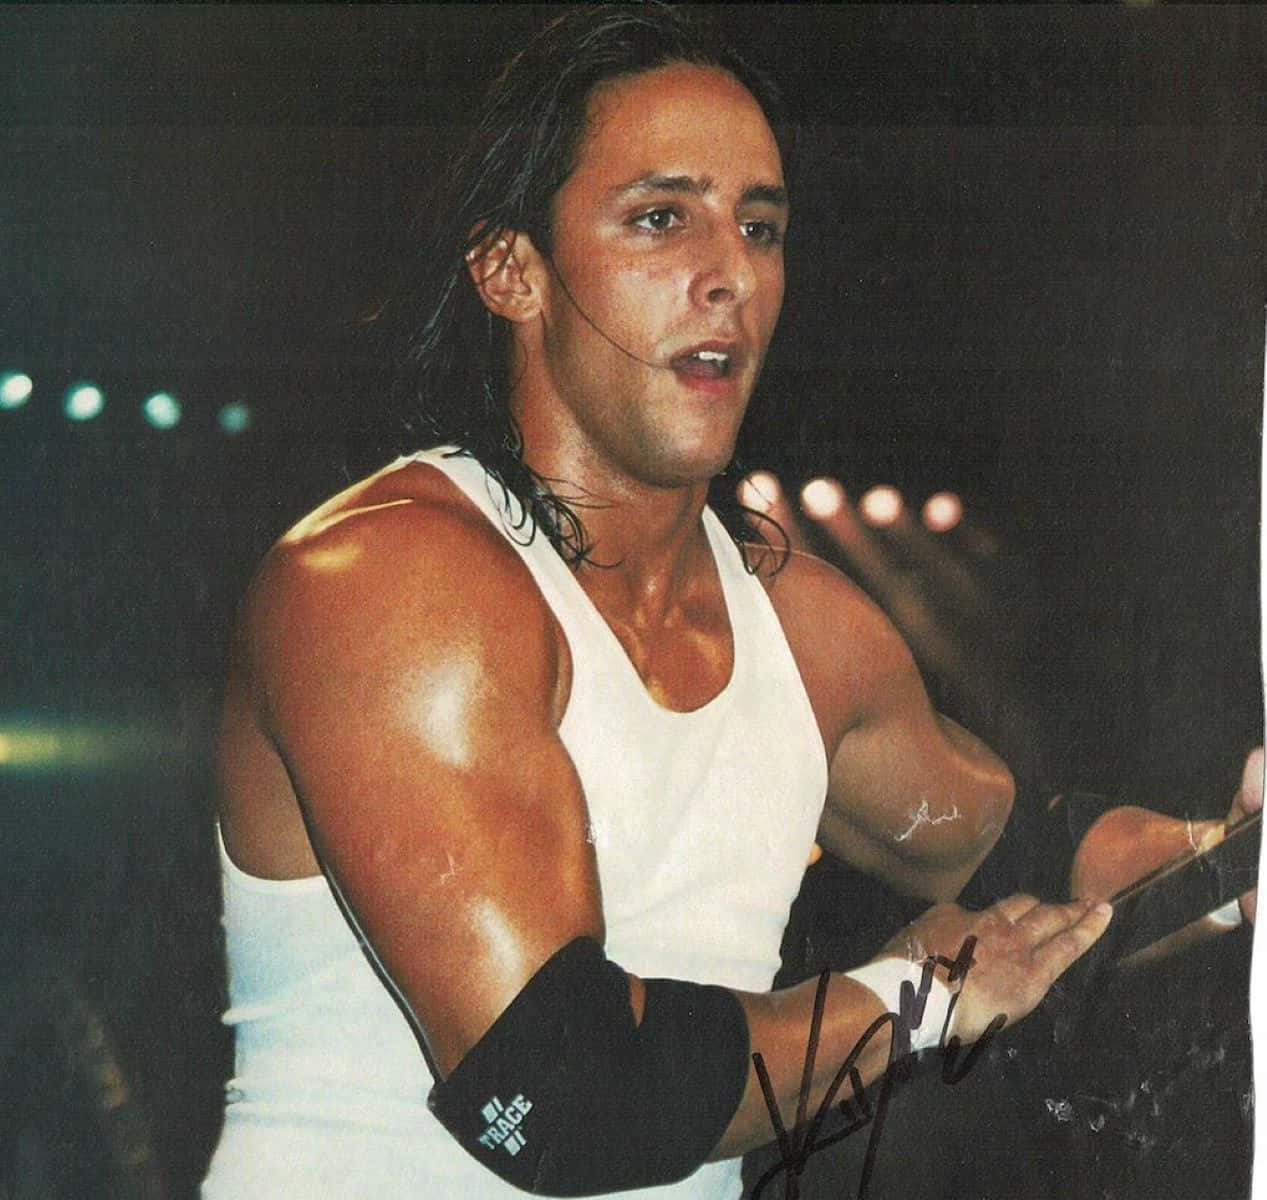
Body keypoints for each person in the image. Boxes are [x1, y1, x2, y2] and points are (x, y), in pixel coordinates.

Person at [201, 7, 1256, 1197]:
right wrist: (911, 998)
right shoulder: (385, 585)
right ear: (512, 271)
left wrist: (1220, 855)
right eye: (661, 218)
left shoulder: (805, 632)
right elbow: (553, 1096)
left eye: (759, 227)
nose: (730, 275)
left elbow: (1019, 851)